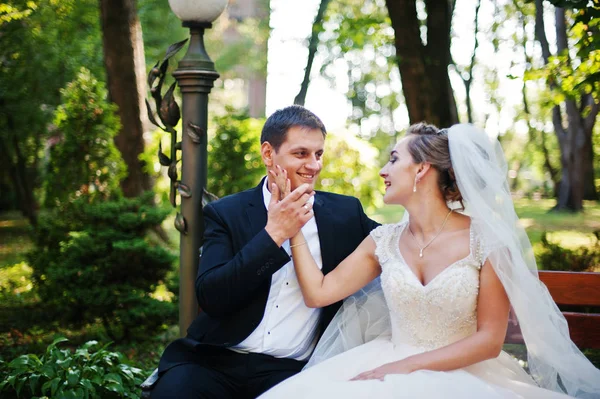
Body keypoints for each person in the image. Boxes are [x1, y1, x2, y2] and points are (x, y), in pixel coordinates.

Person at [259, 123, 600, 398]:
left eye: (393, 159)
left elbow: (489, 340)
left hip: (465, 375)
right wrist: (293, 228)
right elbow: (318, 293)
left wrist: (407, 368)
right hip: (384, 358)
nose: (382, 170)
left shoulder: (486, 242)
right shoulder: (384, 241)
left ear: (421, 169)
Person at [150, 105, 379, 398]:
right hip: (212, 361)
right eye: (301, 154)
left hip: (291, 372)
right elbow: (213, 297)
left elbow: (401, 241)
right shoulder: (227, 213)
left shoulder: (346, 214)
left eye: (318, 154)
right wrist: (275, 233)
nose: (314, 165)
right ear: (268, 154)